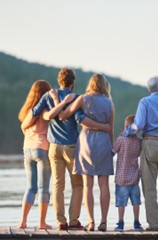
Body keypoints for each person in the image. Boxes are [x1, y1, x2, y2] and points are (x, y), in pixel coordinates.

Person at [28, 69, 109, 230]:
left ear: (59, 81)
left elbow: (35, 112)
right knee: (78, 184)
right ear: (73, 83)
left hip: (54, 146)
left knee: (58, 184)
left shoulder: (49, 96)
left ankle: (60, 221)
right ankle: (73, 221)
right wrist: (102, 127)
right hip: (72, 146)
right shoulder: (76, 98)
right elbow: (80, 118)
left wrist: (26, 127)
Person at [123, 75, 158, 231]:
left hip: (150, 144)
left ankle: (154, 224)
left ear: (149, 89)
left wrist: (127, 132)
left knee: (149, 188)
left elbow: (139, 125)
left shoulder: (145, 102)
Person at [58, 73, 114, 232]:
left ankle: (91, 222)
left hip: (86, 143)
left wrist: (61, 104)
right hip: (103, 142)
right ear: (104, 85)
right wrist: (111, 147)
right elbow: (111, 128)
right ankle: (104, 222)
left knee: (88, 185)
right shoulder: (109, 103)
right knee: (104, 184)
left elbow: (64, 115)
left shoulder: (83, 99)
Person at [18, 80, 74, 229]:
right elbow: (53, 115)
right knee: (43, 187)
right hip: (42, 149)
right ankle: (42, 223)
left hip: (27, 150)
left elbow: (23, 126)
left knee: (30, 187)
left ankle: (22, 221)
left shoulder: (28, 110)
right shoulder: (44, 109)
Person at [112, 114, 143, 232]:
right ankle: (136, 222)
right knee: (136, 202)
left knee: (121, 203)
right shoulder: (138, 142)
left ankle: (120, 223)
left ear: (125, 127)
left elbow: (112, 151)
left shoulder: (120, 140)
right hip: (134, 178)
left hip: (121, 178)